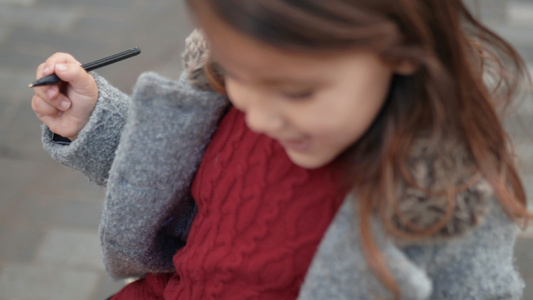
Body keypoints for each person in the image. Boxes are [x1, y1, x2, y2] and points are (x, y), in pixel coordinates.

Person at [30, 0, 532, 299]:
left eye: (295, 92)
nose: (263, 117)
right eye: (240, 74)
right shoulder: (229, 108)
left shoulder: (443, 202)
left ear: (401, 52)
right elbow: (182, 198)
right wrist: (96, 122)